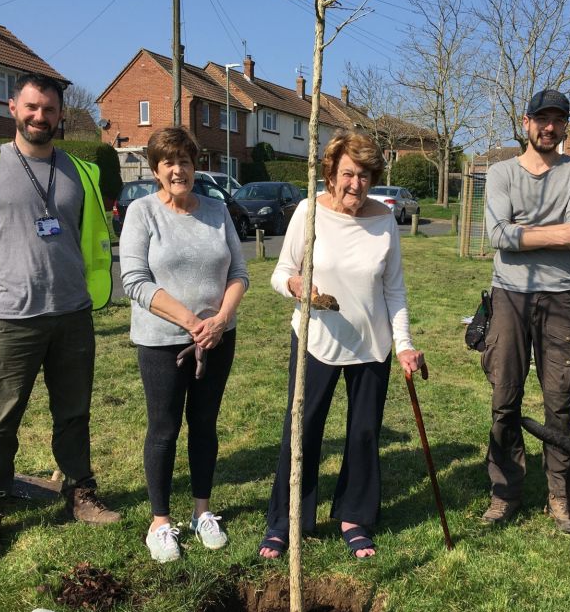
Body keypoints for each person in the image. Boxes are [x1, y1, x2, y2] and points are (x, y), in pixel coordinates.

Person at [0, 73, 118, 561]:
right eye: (31, 107)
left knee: (73, 413)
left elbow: (89, 238)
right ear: (12, 108)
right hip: (11, 319)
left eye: (48, 109)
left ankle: (79, 493)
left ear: (61, 115)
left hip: (71, 314)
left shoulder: (81, 173)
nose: (39, 116)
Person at [259, 131, 425, 560]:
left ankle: (354, 517)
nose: (356, 183)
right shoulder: (309, 212)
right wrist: (294, 285)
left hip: (372, 344)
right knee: (301, 430)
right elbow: (280, 273)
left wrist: (404, 344)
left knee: (364, 433)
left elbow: (395, 290)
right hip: (317, 338)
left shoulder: (384, 219)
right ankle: (287, 519)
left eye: (365, 174)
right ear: (331, 173)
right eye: (348, 173)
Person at [119, 127, 248, 563]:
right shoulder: (142, 213)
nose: (179, 170)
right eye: (169, 162)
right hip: (162, 342)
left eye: (186, 161)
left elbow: (239, 273)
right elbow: (134, 281)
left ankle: (201, 511)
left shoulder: (216, 210)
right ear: (156, 170)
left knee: (205, 423)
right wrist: (194, 323)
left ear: (196, 166)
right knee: (164, 427)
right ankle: (159, 521)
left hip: (217, 339)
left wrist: (221, 320)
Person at [480, 89, 570, 533]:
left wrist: (525, 231)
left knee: (560, 400)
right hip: (509, 295)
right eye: (542, 119)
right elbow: (498, 235)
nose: (549, 127)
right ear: (526, 123)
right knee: (504, 398)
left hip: (560, 295)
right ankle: (504, 492)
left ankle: (561, 495)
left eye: (558, 120)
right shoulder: (500, 172)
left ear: (565, 126)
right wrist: (558, 234)